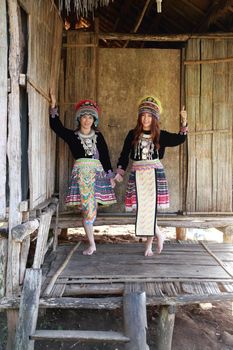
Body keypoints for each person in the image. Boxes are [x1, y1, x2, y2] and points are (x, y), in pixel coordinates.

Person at [114, 96, 188, 256]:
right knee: (141, 208)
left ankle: (148, 247)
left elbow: (180, 138)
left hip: (154, 174)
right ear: (139, 117)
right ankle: (158, 233)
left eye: (149, 116)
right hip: (137, 174)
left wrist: (183, 122)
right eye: (143, 115)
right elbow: (124, 154)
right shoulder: (132, 134)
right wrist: (119, 171)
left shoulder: (161, 135)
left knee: (150, 209)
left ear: (154, 118)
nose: (146, 118)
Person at [49, 92, 116, 255]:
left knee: (92, 209)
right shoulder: (73, 136)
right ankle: (92, 244)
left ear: (94, 120)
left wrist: (110, 175)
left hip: (97, 175)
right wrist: (53, 107)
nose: (87, 120)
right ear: (79, 118)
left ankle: (91, 241)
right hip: (81, 176)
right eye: (84, 117)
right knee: (87, 209)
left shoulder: (98, 136)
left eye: (90, 117)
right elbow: (57, 127)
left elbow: (105, 156)